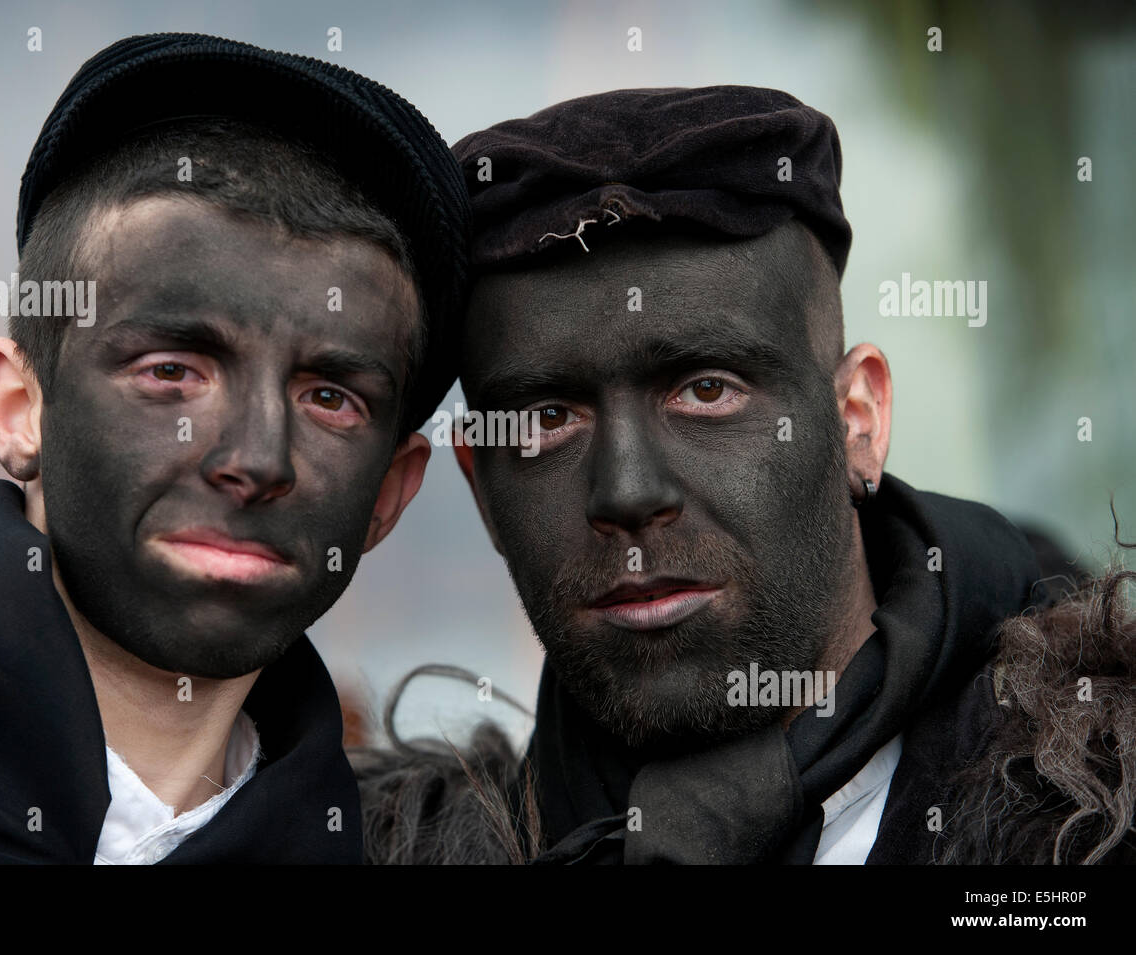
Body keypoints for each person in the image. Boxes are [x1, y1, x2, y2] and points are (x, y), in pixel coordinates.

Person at [354, 86, 1135, 865]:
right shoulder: (386, 847)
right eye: (548, 419)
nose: (627, 493)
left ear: (858, 420)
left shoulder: (1100, 821)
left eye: (706, 390)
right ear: (481, 483)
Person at [0, 32, 470, 864]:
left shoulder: (418, 847)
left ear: (391, 491)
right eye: (172, 370)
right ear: (20, 408)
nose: (257, 460)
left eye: (328, 398)